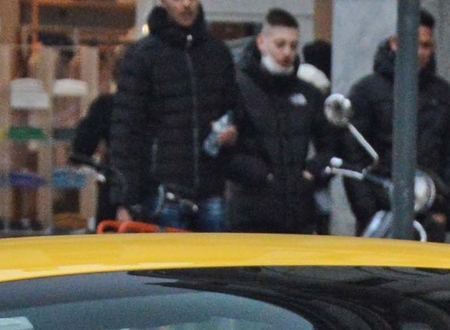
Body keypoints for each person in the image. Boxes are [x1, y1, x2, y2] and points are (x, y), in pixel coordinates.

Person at [111, 0, 238, 230]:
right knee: (171, 264)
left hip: (211, 189)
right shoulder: (143, 56)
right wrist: (124, 199)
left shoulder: (217, 54)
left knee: (214, 264)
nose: (187, 4)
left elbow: (235, 110)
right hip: (163, 192)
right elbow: (126, 132)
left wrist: (233, 131)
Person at [343, 9, 450, 240]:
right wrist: (369, 211)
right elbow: (353, 156)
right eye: (414, 43)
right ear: (395, 43)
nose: (419, 52)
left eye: (426, 45)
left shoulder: (443, 93)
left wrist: (446, 210)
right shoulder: (366, 91)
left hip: (430, 210)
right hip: (381, 211)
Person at [225, 8, 327, 235]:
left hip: (298, 213)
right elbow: (224, 148)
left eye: (293, 45)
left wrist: (313, 172)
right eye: (280, 44)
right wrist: (259, 174)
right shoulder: (239, 89)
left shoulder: (308, 94)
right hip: (251, 213)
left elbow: (330, 143)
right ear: (262, 43)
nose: (287, 53)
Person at [67, 90, 117, 224]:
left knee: (109, 233)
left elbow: (84, 145)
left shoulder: (108, 104)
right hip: (167, 184)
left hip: (117, 181)